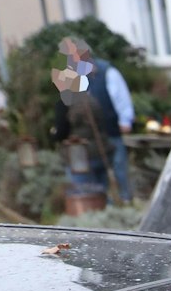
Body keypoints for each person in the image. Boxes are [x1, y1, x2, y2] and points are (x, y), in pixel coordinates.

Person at [51, 37, 135, 204]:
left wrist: (125, 121)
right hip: (87, 145)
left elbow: (121, 98)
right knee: (99, 182)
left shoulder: (106, 72)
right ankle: (110, 206)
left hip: (109, 133)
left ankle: (124, 201)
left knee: (117, 172)